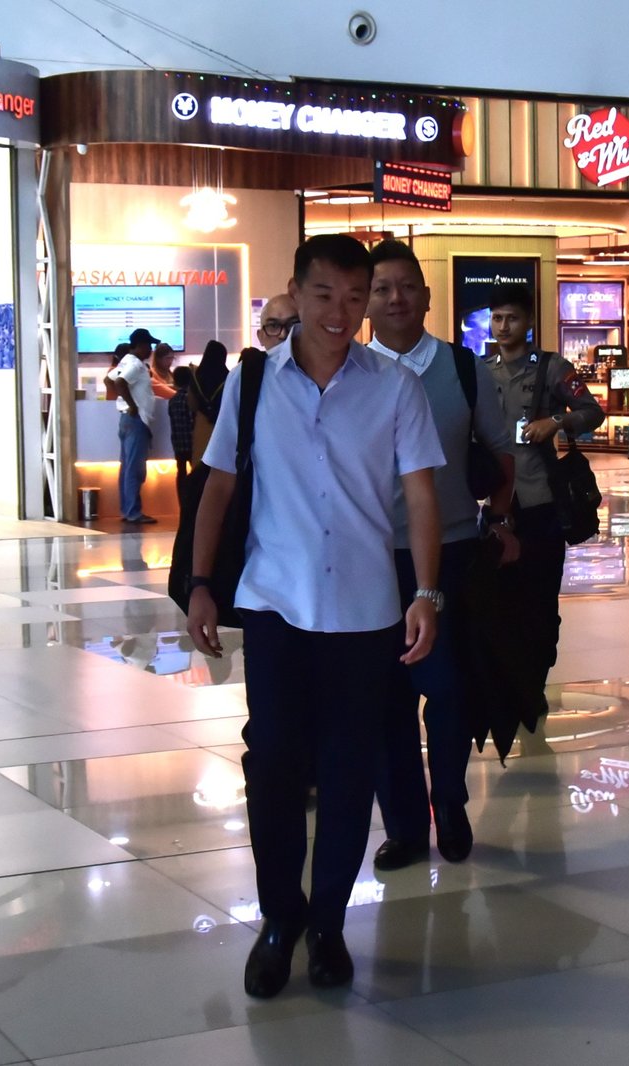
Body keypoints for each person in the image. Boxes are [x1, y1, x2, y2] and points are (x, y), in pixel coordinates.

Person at [184, 234, 445, 998]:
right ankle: (279, 920)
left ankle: (327, 922)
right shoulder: (254, 382)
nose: (341, 312)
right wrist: (200, 583)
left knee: (347, 770)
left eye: (355, 297)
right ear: (296, 293)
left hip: (365, 611)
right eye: (325, 294)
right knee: (273, 768)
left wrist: (426, 592)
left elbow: (421, 496)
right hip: (277, 605)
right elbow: (218, 485)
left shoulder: (395, 387)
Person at [364, 239, 518, 871]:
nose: (396, 299)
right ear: (365, 301)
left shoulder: (460, 367)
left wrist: (500, 519)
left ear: (427, 296)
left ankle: (450, 805)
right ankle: (404, 825)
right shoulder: (351, 370)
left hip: (451, 552)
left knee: (448, 690)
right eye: (381, 288)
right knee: (385, 698)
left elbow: (501, 450)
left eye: (407, 286)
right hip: (372, 559)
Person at [486, 282, 605, 721]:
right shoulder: (482, 370)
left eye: (512, 318)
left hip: (540, 504)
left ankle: (533, 684)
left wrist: (555, 421)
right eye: (497, 318)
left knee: (540, 603)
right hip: (494, 505)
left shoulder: (552, 368)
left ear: (530, 322)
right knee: (499, 603)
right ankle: (507, 685)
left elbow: (593, 411)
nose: (504, 326)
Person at [104, 327, 159, 524]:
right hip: (136, 420)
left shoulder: (126, 360)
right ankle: (134, 512)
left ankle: (127, 510)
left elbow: (109, 379)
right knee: (135, 469)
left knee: (127, 467)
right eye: (149, 345)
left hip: (126, 419)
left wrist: (121, 401)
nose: (151, 350)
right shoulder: (135, 365)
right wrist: (132, 405)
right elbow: (120, 382)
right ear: (141, 345)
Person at [188, 339, 231, 467]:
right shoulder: (229, 378)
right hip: (222, 426)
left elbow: (192, 405)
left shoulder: (196, 376)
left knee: (200, 466)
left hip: (201, 425)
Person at [168, 365, 195, 497]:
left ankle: (183, 501)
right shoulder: (190, 398)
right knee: (196, 473)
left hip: (178, 445)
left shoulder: (172, 400)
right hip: (192, 443)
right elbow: (192, 420)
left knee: (181, 473)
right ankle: (194, 501)